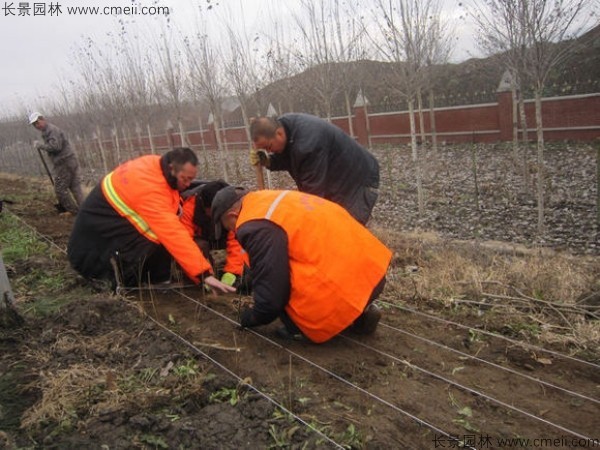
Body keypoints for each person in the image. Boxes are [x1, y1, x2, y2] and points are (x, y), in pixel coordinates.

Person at [212, 186, 392, 343]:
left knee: (284, 295)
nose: (233, 233)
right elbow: (272, 255)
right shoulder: (269, 200)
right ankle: (359, 314)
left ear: (232, 215)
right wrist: (248, 283)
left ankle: (302, 328)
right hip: (372, 272)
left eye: (229, 227)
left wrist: (251, 317)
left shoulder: (251, 225)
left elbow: (272, 293)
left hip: (338, 285)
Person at [67, 147, 236, 294]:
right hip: (93, 248)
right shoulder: (151, 190)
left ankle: (155, 278)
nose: (188, 185)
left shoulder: (156, 165)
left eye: (191, 179)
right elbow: (172, 233)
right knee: (157, 236)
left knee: (159, 234)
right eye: (185, 179)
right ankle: (119, 281)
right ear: (172, 169)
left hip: (108, 221)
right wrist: (204, 275)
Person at [249, 113, 380, 225]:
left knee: (346, 230)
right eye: (265, 150)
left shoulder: (308, 144)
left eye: (269, 146)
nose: (269, 151)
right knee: (331, 227)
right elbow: (290, 157)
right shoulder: (285, 128)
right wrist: (269, 161)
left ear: (279, 133)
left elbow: (313, 196)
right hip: (336, 179)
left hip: (357, 182)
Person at [180, 179, 250, 291]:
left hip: (221, 238)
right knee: (200, 245)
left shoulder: (232, 209)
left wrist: (232, 272)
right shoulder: (189, 209)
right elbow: (184, 245)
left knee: (246, 253)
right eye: (213, 210)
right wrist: (204, 275)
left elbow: (237, 242)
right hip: (203, 239)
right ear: (204, 206)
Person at [28, 112, 84, 215]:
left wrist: (41, 146)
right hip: (69, 160)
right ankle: (85, 211)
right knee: (74, 187)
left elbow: (56, 147)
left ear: (42, 119)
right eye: (34, 124)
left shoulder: (51, 130)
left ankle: (75, 212)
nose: (36, 126)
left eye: (37, 122)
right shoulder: (47, 131)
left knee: (60, 189)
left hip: (64, 163)